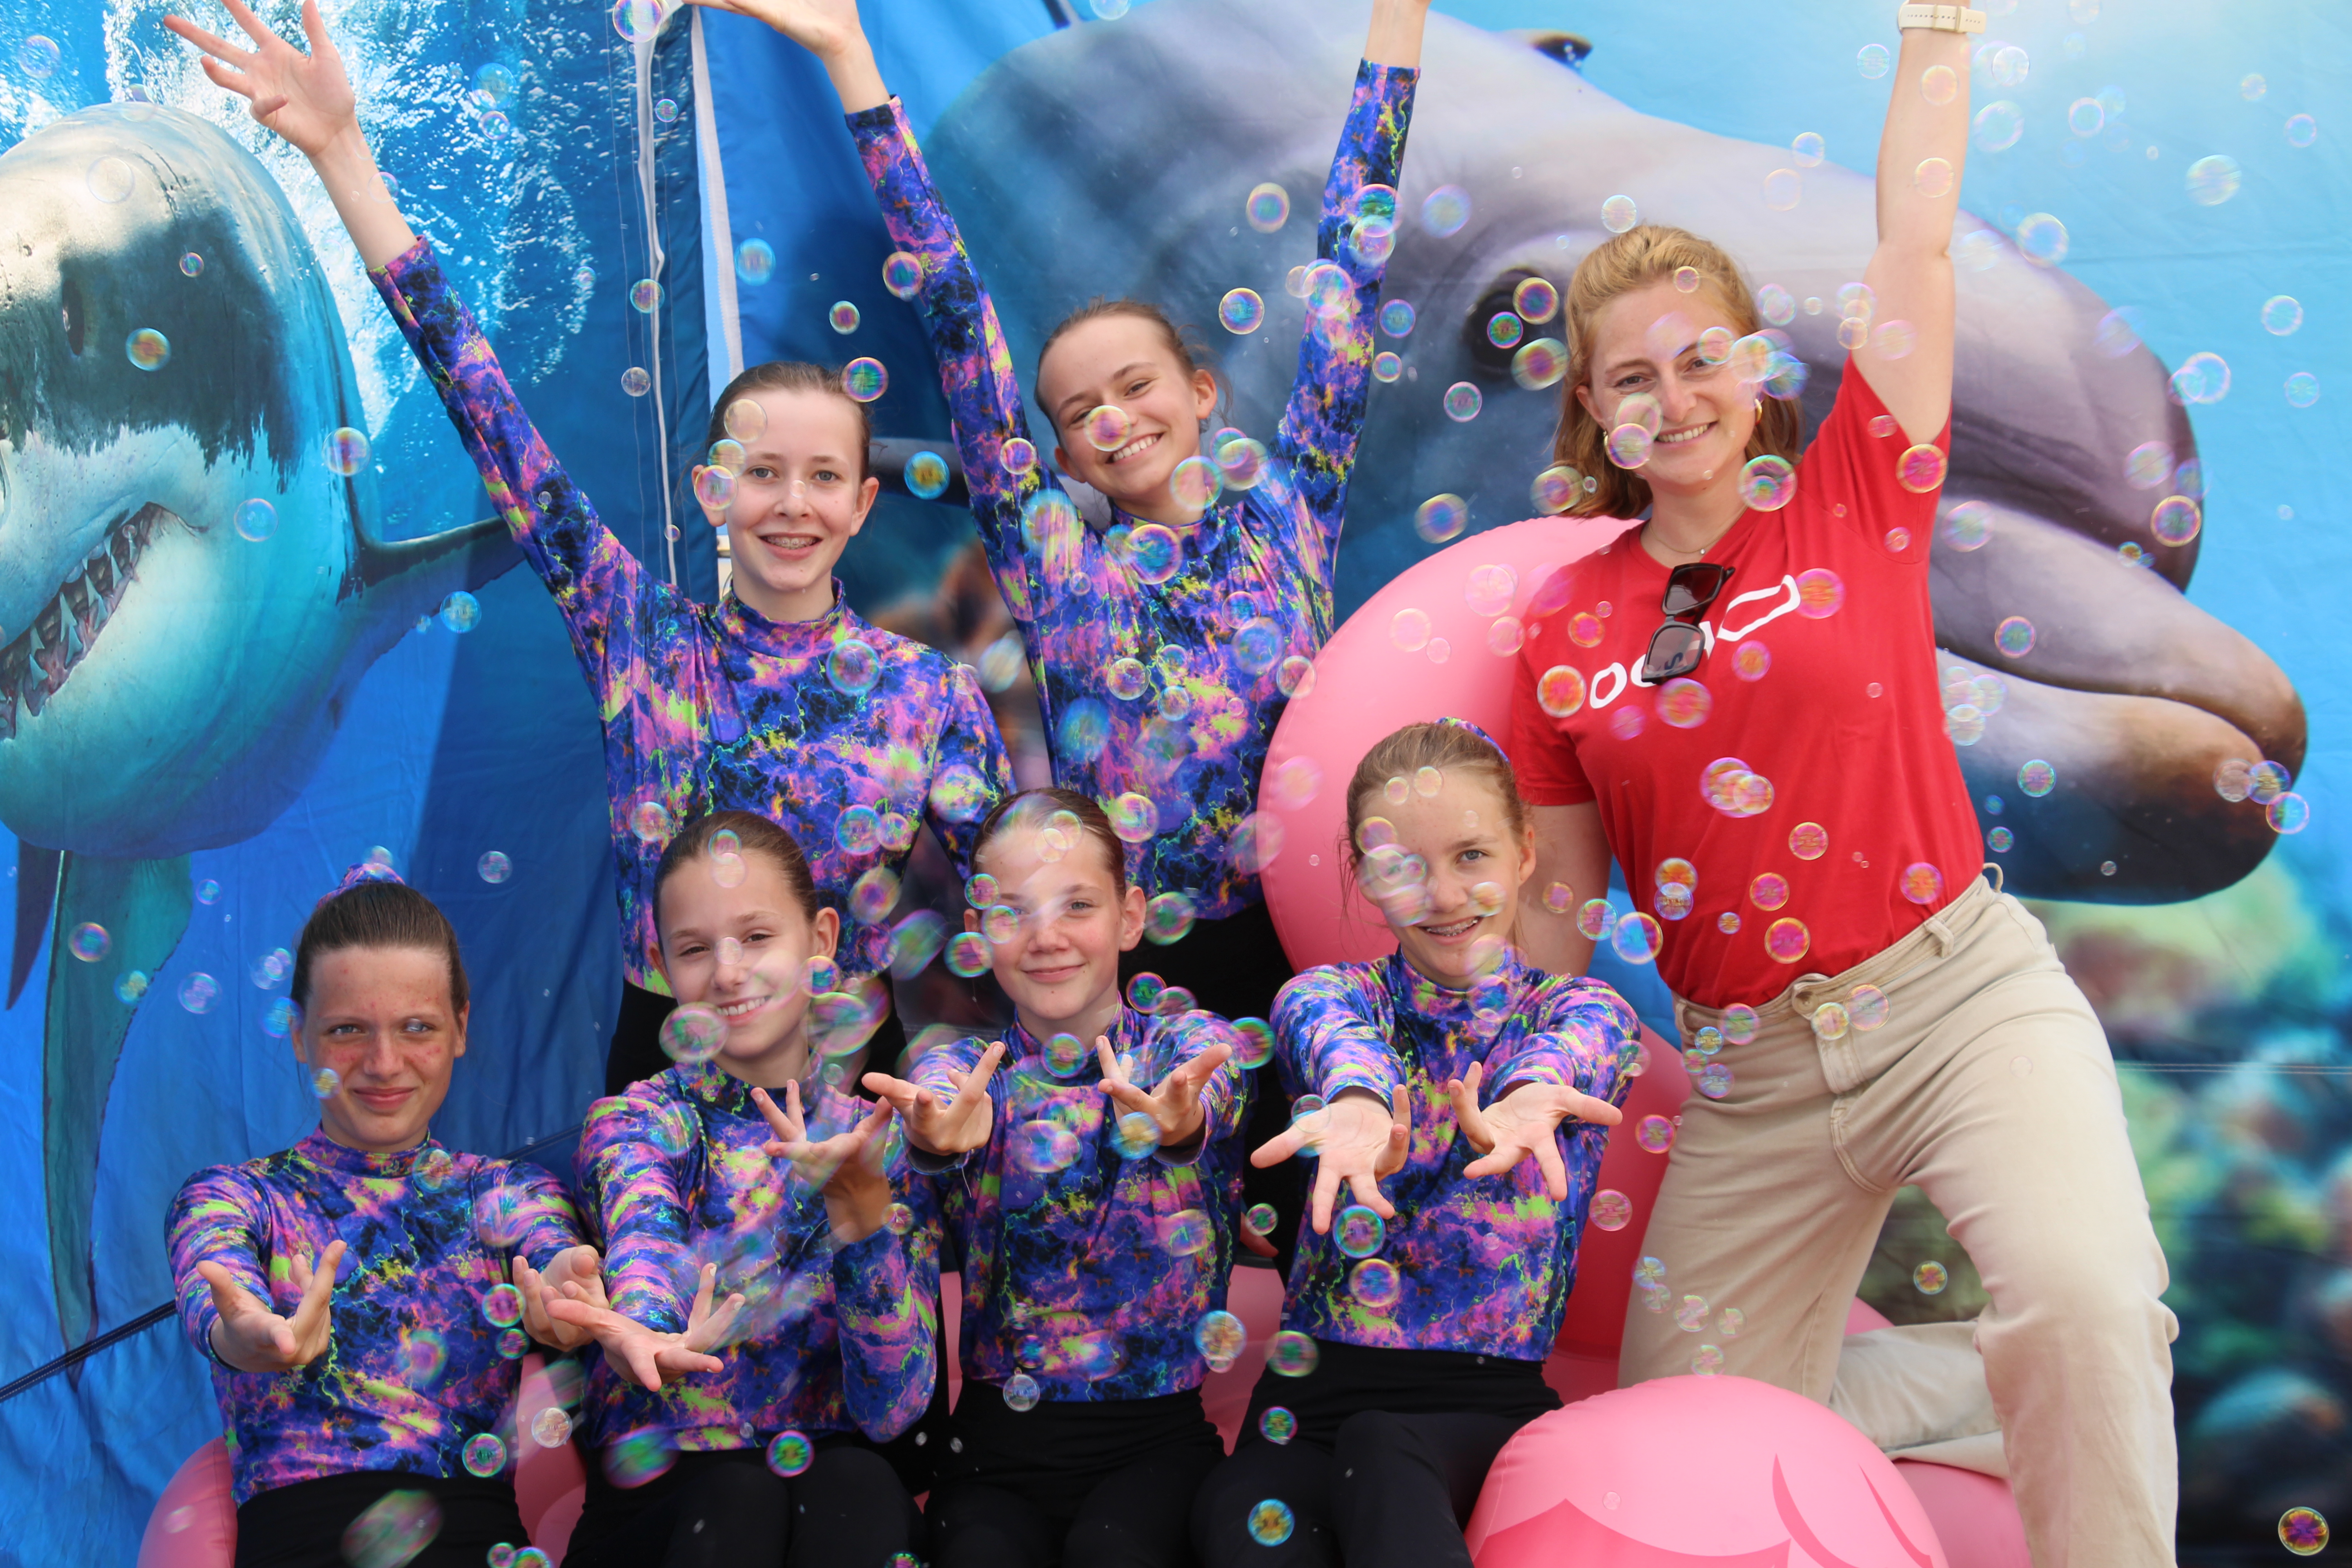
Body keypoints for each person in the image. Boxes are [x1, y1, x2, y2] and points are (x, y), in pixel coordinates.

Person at [1504, 10, 2177, 1563]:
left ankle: (2079, 1367)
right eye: (1629, 378)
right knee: (1680, 1429)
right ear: (1590, 414)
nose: (1670, 396)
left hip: (1955, 997)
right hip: (1750, 1075)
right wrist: (1516, 1057)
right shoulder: (1565, 621)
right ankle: (2014, 1376)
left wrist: (1934, 39)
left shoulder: (1853, 488)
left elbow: (1916, 251)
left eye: (1698, 357)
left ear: (1755, 367)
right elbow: (1558, 889)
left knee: (2078, 1295)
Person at [165, 0, 1014, 1099]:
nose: (790, 504)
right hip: (662, 1097)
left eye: (821, 479)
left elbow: (1025, 899)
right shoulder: (642, 643)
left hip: (863, 1098)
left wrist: (852, 59)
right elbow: (483, 401)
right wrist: (341, 152)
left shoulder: (929, 695)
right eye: (762, 474)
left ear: (860, 505)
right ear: (715, 493)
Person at [738, 0, 1428, 1269]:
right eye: (1076, 413)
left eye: (1135, 385)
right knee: (1169, 1270)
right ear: (1054, 455)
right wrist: (852, 66)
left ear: (1201, 394)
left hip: (1312, 944)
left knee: (1333, 1238)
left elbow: (1353, 257)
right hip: (1142, 975)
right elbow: (954, 318)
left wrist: (1400, 28)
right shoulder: (1062, 569)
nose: (1111, 418)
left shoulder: (1290, 507)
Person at [1191, 721, 1637, 1568]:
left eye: (1472, 855)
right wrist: (1357, 1099)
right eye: (1401, 867)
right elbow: (1329, 1037)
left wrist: (1525, 1096)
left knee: (1386, 1453)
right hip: (1313, 1401)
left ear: (1525, 854)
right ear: (1362, 877)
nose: (1442, 894)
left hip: (1485, 1411)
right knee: (1233, 1516)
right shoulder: (1327, 996)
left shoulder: (1583, 1015)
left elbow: (1567, 1055)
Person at [165, 866, 601, 1566]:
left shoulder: (509, 1191)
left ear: (461, 1027)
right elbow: (211, 1275)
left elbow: (550, 1247)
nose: (384, 1061)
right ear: (300, 1035)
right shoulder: (234, 1196)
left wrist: (568, 1288)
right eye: (347, 1030)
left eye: (417, 1027)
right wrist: (243, 1335)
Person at [858, 789, 1247, 1568]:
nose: (1046, 937)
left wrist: (1180, 1123)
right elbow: (936, 1091)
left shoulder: (1187, 1045)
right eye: (1013, 913)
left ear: (1130, 916)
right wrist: (937, 1139)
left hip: (1158, 1446)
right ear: (977, 935)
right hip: (995, 1454)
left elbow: (1212, 1084)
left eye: (1077, 904)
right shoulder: (967, 1072)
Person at [541, 809, 937, 1567]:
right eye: (695, 949)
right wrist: (649, 1330)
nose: (727, 973)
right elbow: (642, 1237)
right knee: (742, 1493)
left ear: (821, 942)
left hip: (832, 1497)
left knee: (856, 1478)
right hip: (664, 1506)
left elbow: (894, 1412)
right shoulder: (636, 1122)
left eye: (757, 938)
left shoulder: (875, 1132)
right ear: (661, 963)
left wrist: (863, 1225)